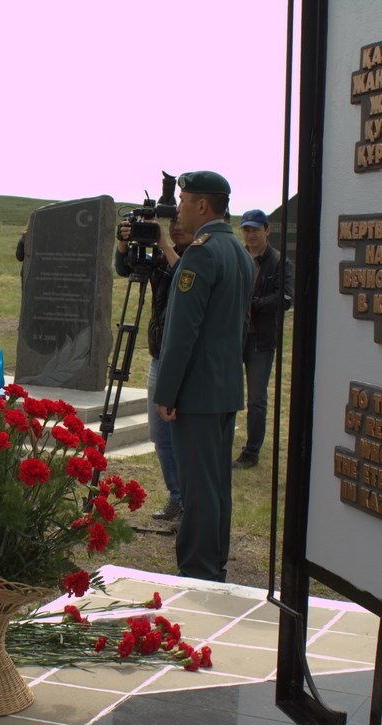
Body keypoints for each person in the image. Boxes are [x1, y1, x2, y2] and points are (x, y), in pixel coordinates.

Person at [153, 171, 253, 582]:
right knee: (215, 485)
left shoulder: (201, 254)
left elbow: (181, 334)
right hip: (224, 387)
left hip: (196, 392)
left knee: (197, 487)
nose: (178, 210)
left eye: (182, 201)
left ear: (202, 205)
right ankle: (215, 562)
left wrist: (166, 392)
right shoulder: (238, 252)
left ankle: (198, 570)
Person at [115, 215, 192, 528]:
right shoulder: (162, 257)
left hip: (186, 359)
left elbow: (186, 277)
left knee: (184, 434)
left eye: (180, 220)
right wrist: (124, 244)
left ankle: (190, 503)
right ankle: (176, 496)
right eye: (170, 222)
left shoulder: (200, 256)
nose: (174, 227)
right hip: (159, 355)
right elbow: (125, 270)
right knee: (159, 434)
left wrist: (163, 244)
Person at [233, 209, 293, 469]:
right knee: (227, 391)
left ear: (267, 230)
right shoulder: (237, 257)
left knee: (256, 399)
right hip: (234, 336)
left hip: (261, 340)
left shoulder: (279, 262)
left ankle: (251, 452)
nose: (250, 235)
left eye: (255, 230)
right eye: (246, 230)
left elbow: (285, 298)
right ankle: (223, 440)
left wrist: (252, 304)